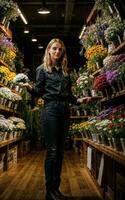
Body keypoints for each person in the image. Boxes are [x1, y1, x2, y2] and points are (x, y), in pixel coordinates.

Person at [23, 38, 91, 200]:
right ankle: (49, 191)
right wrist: (29, 88)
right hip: (50, 110)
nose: (57, 52)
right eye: (54, 49)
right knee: (52, 151)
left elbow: (69, 96)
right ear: (48, 50)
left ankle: (56, 190)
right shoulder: (42, 69)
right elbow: (39, 92)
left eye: (60, 50)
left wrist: (80, 101)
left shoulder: (65, 71)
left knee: (60, 153)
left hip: (64, 111)